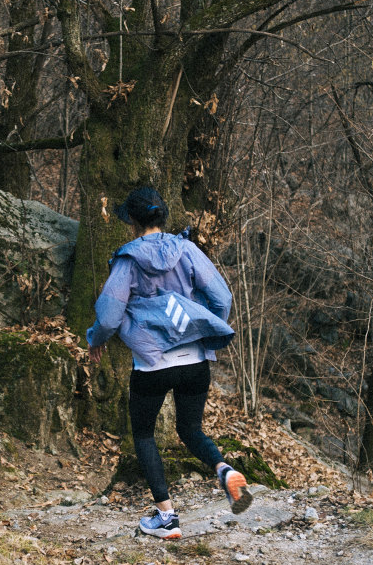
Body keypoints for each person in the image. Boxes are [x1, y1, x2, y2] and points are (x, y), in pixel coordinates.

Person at [87, 186, 253, 540]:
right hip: (194, 359)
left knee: (144, 435)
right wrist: (204, 330)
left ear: (131, 221)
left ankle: (167, 518)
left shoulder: (128, 261)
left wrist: (95, 341)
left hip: (152, 364)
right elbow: (222, 297)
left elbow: (108, 317)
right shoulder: (187, 250)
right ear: (162, 216)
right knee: (190, 429)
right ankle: (223, 469)